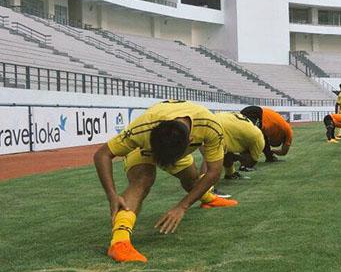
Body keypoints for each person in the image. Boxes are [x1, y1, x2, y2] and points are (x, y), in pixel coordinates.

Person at [93, 100, 238, 263]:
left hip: (176, 150)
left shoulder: (210, 126)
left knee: (191, 179)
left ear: (190, 141)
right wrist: (112, 195)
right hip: (146, 150)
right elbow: (102, 155)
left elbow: (213, 172)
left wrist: (182, 206)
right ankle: (119, 243)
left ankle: (208, 199)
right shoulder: (143, 128)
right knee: (142, 179)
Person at [214, 112, 265, 180]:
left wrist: (234, 156)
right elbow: (251, 162)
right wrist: (237, 157)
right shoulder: (257, 139)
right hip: (220, 125)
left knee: (225, 151)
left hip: (219, 117)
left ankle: (230, 173)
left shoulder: (249, 133)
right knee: (213, 155)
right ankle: (206, 186)